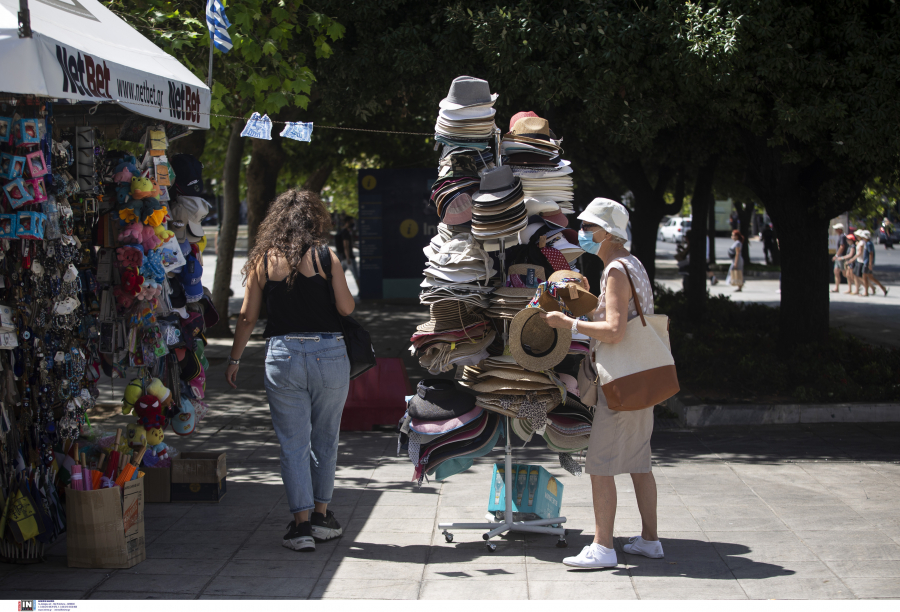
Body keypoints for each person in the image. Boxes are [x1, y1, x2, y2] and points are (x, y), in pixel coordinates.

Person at [225, 189, 355, 553]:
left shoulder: (262, 261)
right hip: (329, 353)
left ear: (276, 221)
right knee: (326, 438)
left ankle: (300, 528)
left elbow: (248, 316)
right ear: (315, 220)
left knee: (292, 444)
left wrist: (235, 359)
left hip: (282, 357)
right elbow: (345, 309)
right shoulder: (326, 256)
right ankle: (321, 517)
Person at [540, 198, 663, 569]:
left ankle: (602, 547)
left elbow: (613, 330)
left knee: (600, 464)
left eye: (590, 228)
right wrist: (587, 308)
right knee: (640, 463)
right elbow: (618, 314)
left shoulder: (615, 271)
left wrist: (569, 324)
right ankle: (650, 541)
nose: (583, 234)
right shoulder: (632, 264)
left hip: (620, 380)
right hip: (643, 377)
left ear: (608, 233)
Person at [859, 230, 888, 297]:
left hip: (867, 262)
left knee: (864, 277)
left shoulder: (869, 243)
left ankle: (866, 292)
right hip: (867, 262)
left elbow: (871, 254)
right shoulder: (867, 243)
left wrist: (870, 264)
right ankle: (883, 288)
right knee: (871, 277)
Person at [832, 223, 849, 293]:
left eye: (836, 229)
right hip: (838, 257)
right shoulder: (839, 236)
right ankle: (836, 287)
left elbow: (842, 247)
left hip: (841, 257)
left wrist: (836, 255)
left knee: (844, 273)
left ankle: (856, 284)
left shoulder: (842, 236)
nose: (835, 230)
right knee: (836, 271)